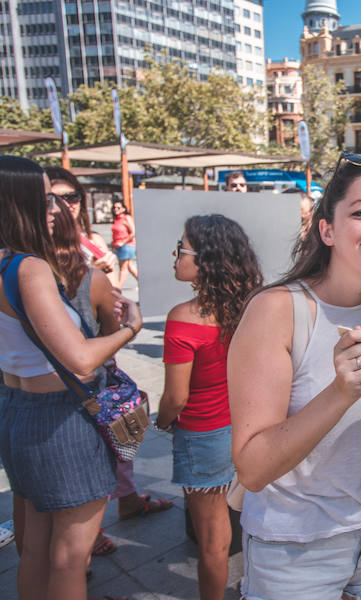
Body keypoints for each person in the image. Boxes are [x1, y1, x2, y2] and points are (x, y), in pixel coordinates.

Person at [228, 152, 361, 600]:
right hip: (297, 549)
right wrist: (339, 392)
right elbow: (253, 466)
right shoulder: (277, 310)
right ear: (326, 229)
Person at [0, 153, 141, 600]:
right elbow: (82, 360)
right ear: (17, 201)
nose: (54, 208)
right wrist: (129, 329)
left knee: (38, 549)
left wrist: (19, 354)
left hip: (18, 413)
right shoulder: (27, 268)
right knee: (70, 557)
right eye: (44, 198)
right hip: (61, 422)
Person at [44, 168, 172, 559]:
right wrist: (127, 324)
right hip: (64, 382)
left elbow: (109, 302)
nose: (62, 206)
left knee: (121, 443)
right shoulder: (32, 260)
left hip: (102, 369)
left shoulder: (90, 242)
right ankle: (85, 543)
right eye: (54, 198)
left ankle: (127, 501)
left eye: (71, 197)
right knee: (79, 482)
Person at [155, 215, 263, 599]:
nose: (175, 253)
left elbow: (175, 398)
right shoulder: (252, 306)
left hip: (202, 435)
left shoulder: (183, 319)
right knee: (253, 523)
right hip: (249, 427)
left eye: (181, 247)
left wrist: (163, 422)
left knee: (213, 542)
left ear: (205, 259)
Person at [110, 200, 138, 288]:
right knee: (129, 266)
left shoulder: (126, 218)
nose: (116, 209)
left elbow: (133, 232)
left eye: (118, 207)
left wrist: (123, 242)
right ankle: (143, 283)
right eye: (114, 207)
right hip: (118, 245)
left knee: (123, 268)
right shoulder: (116, 219)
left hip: (127, 245)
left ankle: (118, 288)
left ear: (123, 209)